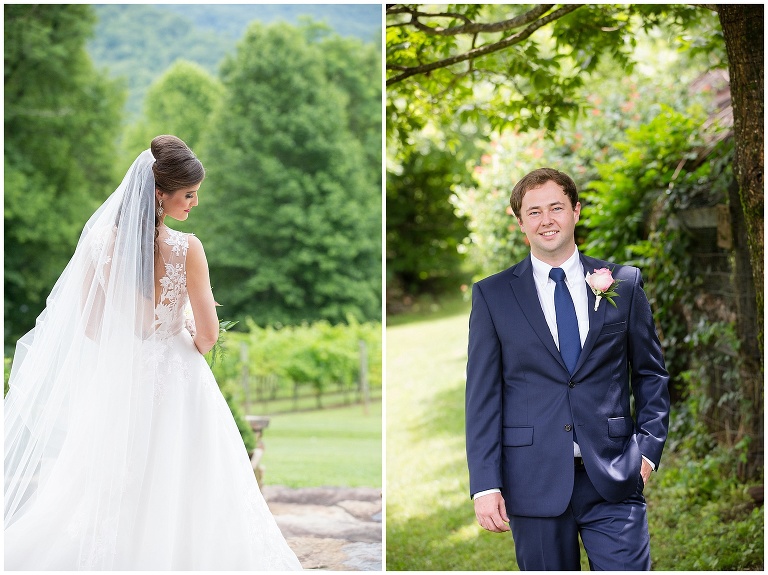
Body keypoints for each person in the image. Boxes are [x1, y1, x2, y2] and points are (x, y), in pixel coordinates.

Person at [4, 135, 303, 570]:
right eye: (189, 195)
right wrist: (178, 326)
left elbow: (90, 325)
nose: (194, 203)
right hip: (179, 375)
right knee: (189, 472)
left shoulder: (100, 244)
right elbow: (207, 336)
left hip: (124, 377)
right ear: (160, 195)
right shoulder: (187, 248)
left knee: (117, 474)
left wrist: (132, 338)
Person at [465, 167, 670, 570]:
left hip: (613, 474)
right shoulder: (492, 296)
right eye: (535, 211)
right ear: (520, 222)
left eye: (556, 207)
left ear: (576, 211)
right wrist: (485, 484)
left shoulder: (622, 284)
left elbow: (651, 374)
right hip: (532, 480)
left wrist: (647, 451)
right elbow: (483, 398)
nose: (547, 220)